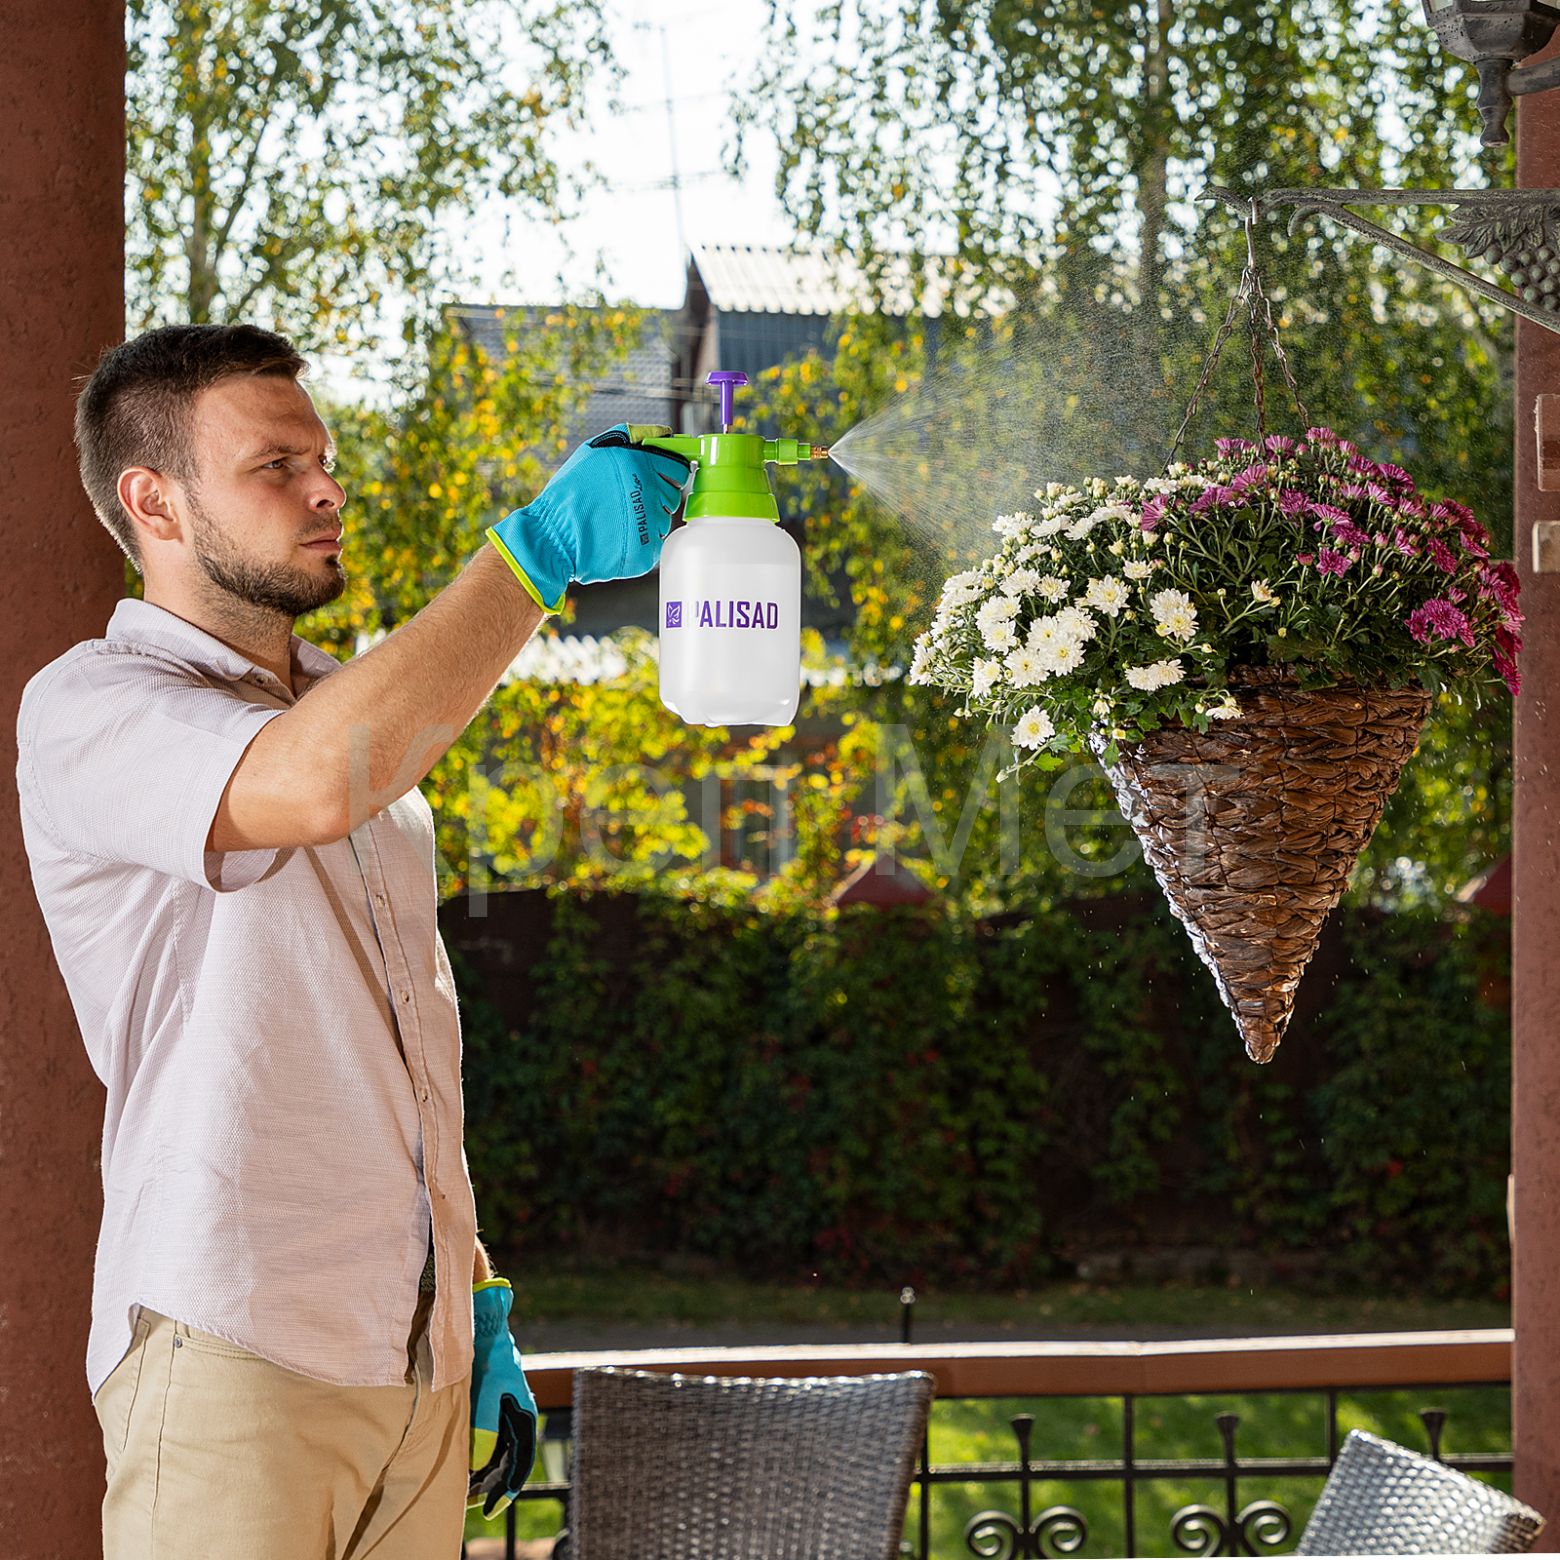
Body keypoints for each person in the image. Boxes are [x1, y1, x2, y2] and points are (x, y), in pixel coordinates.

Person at [14, 322, 691, 1558]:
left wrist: (472, 1296)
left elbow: (390, 1049)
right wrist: (534, 555)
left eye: (322, 459)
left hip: (417, 1359)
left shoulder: (349, 709)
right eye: (276, 466)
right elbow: (311, 782)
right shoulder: (91, 708)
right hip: (236, 1351)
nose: (327, 489)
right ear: (154, 502)